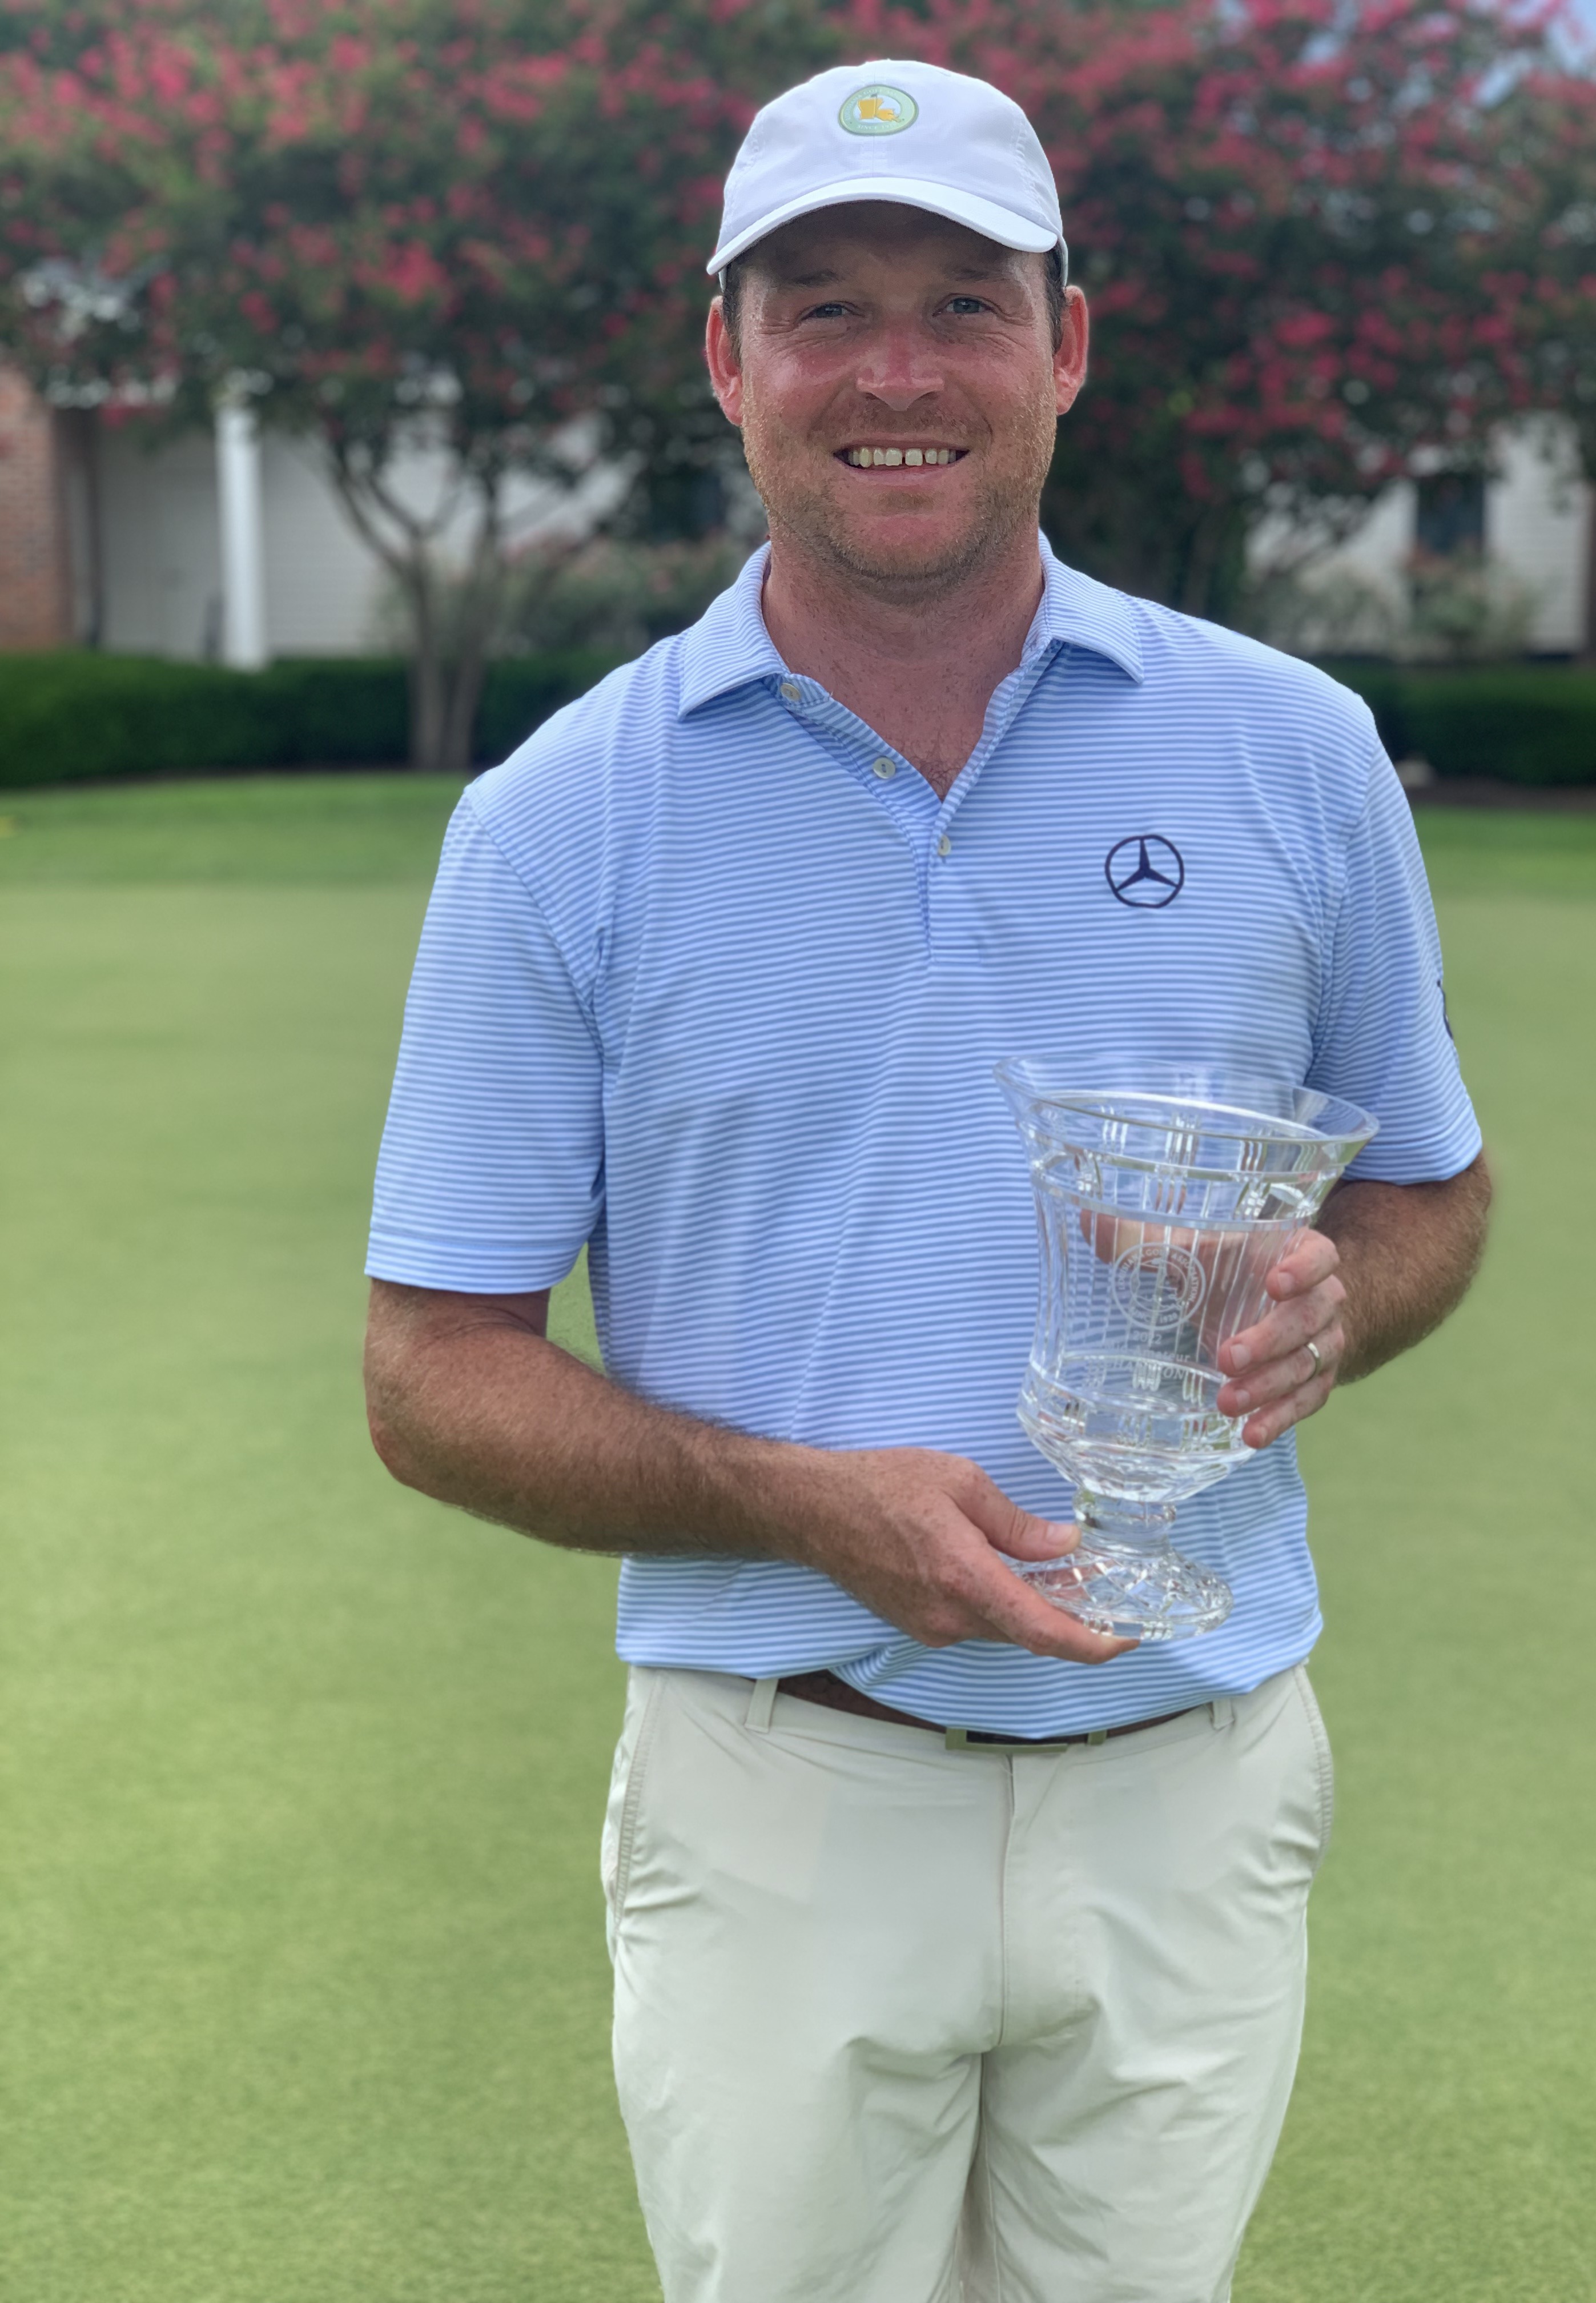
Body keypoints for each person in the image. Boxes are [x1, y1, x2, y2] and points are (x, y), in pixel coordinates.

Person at [363, 55, 1490, 2303]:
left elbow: (1428, 1193)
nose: (896, 372)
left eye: (963, 304)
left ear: (1066, 344)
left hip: (1190, 1771)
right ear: (729, 358)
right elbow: (430, 1374)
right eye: (823, 307)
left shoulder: (1293, 749)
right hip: (786, 1780)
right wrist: (801, 1506)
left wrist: (1343, 1299)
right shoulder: (560, 818)